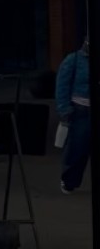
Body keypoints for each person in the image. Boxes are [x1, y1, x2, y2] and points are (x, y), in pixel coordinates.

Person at [56, 35, 91, 194]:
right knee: (77, 149)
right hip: (80, 110)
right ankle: (69, 181)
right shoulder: (74, 60)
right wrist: (64, 109)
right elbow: (62, 85)